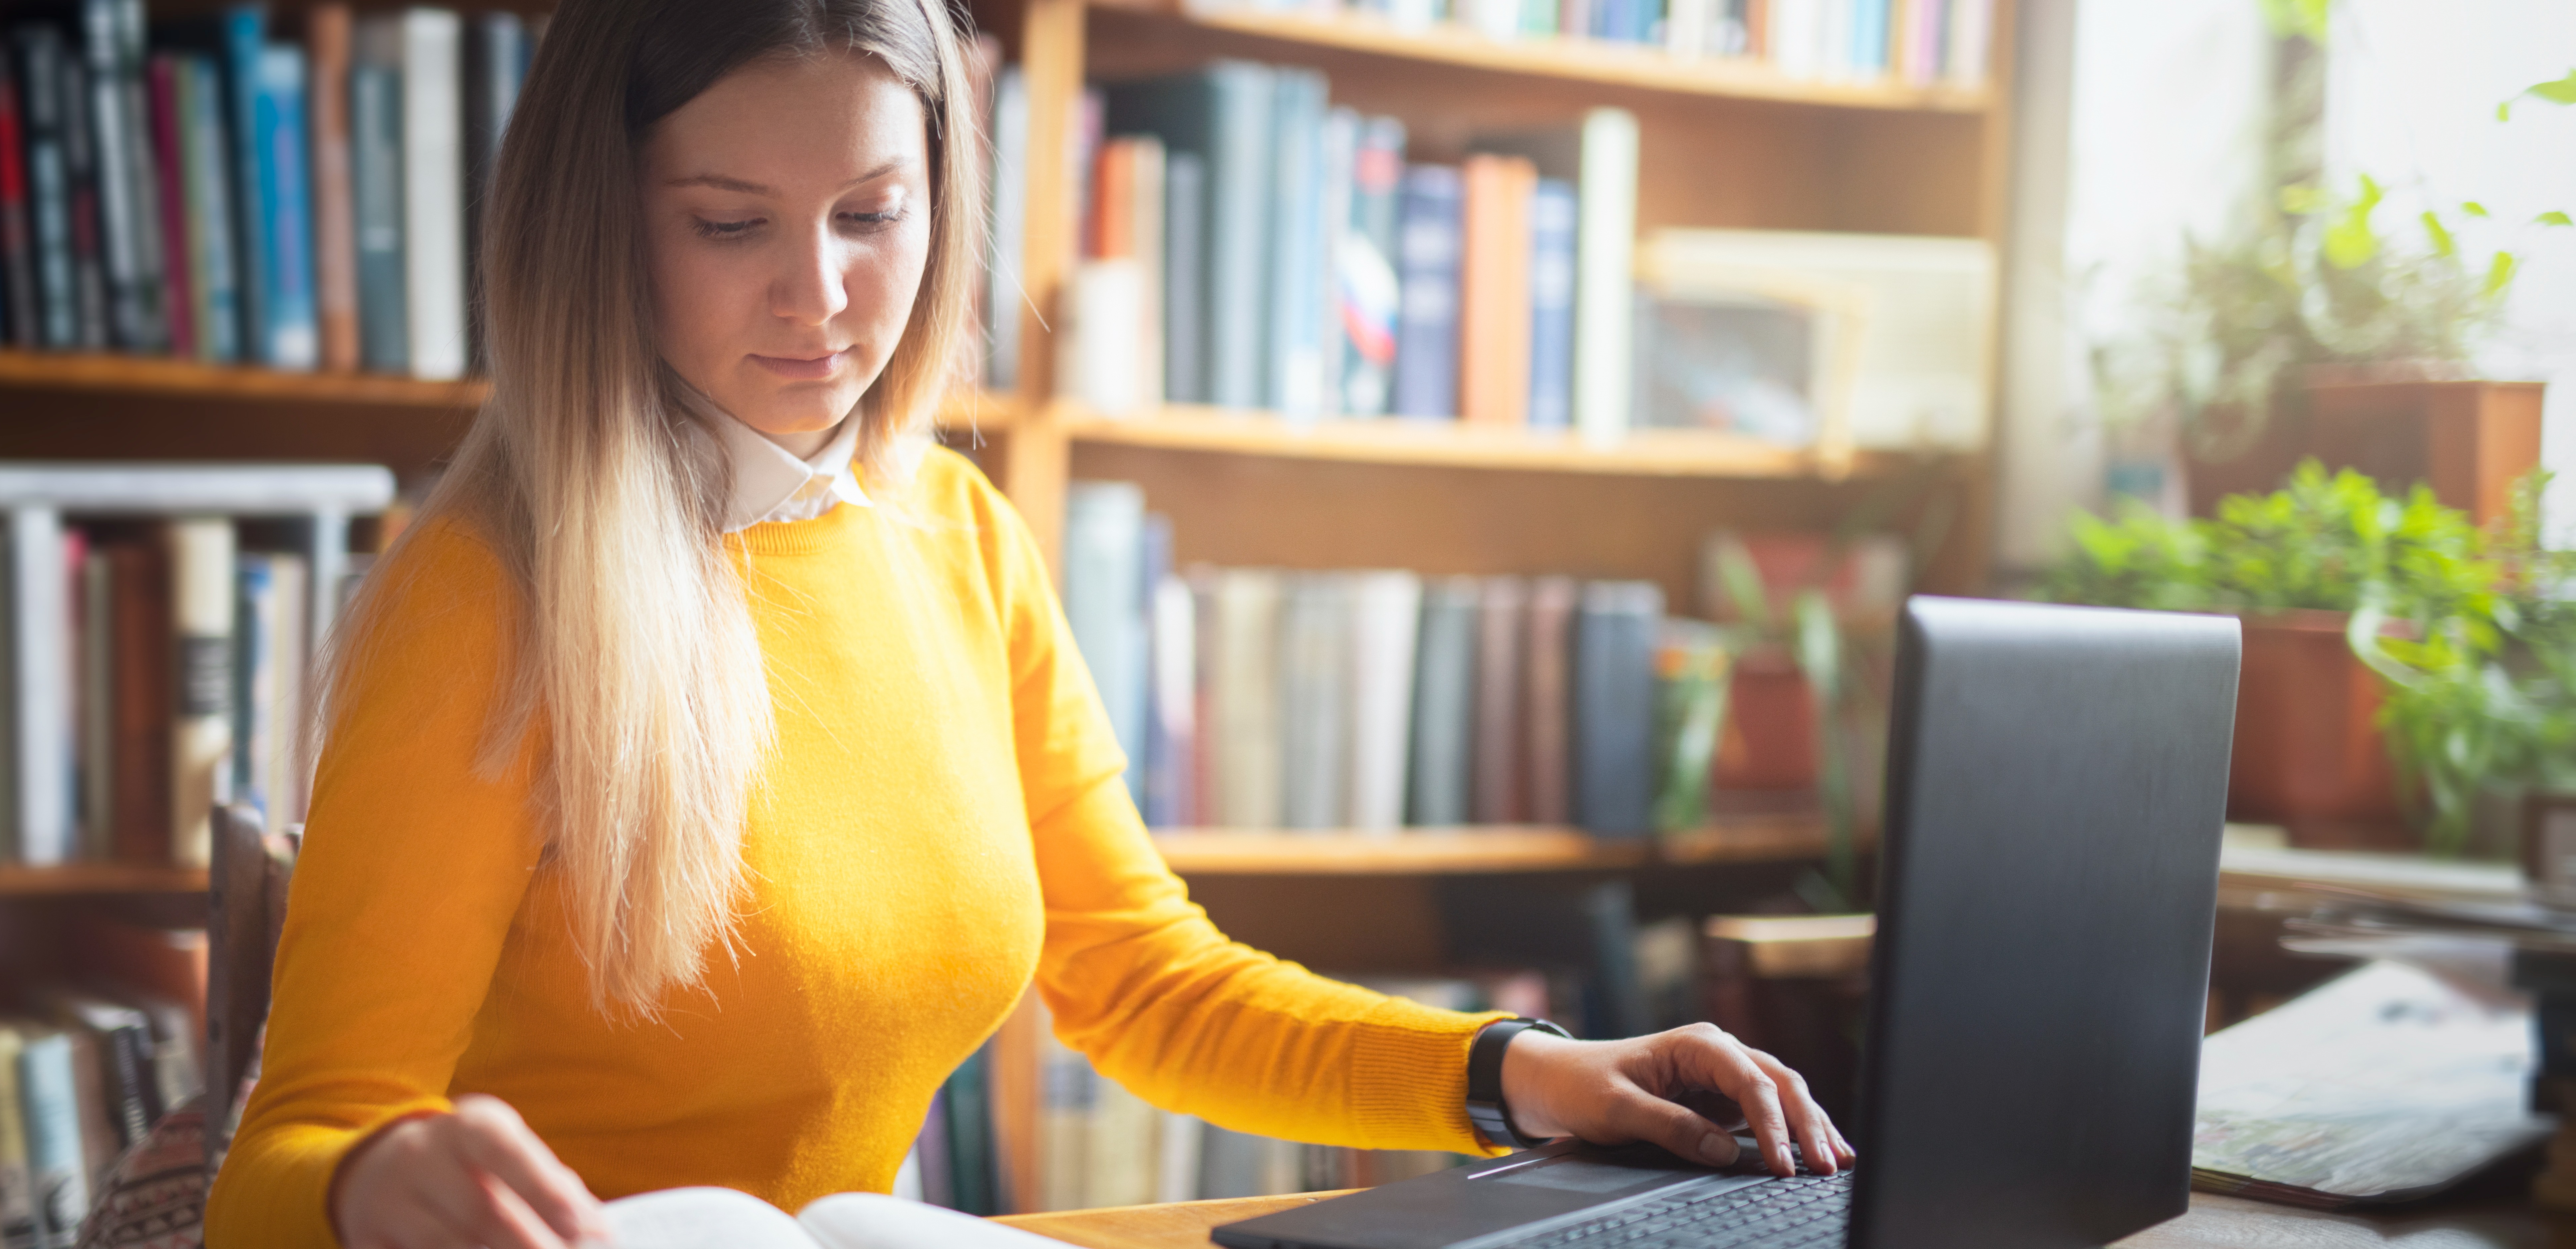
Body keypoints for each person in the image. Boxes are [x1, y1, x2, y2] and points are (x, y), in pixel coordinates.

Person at [201, 0, 1851, 1244]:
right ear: (599, 220)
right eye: (728, 224)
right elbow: (275, 1168)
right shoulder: (484, 596)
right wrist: (368, 1183)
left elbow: (1147, 982)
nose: (823, 297)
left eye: (874, 213)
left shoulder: (955, 535)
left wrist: (1520, 1073)